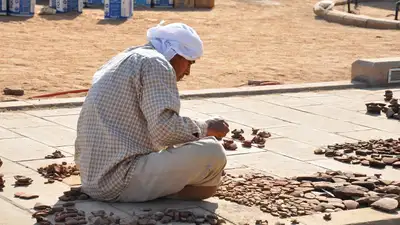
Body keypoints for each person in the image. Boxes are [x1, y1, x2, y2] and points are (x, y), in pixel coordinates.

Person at [74, 21, 230, 203]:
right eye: (189, 62)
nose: (187, 72)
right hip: (118, 180)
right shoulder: (157, 63)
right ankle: (170, 194)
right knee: (213, 153)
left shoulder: (127, 56)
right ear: (175, 54)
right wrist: (206, 127)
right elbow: (165, 131)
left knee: (185, 142)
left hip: (93, 176)